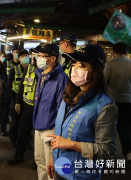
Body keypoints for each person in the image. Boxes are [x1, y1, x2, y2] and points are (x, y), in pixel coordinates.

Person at [47, 44, 118, 180]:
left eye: (82, 66)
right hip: (61, 166)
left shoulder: (105, 106)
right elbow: (60, 132)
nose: (75, 69)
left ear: (95, 71)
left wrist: (72, 144)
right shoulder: (69, 94)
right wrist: (53, 157)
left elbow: (107, 150)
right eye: (74, 64)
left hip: (82, 175)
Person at [32, 43, 68, 180]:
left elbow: (61, 110)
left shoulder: (61, 79)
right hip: (38, 126)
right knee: (40, 162)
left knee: (51, 167)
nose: (38, 59)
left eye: (42, 56)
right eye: (38, 56)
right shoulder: (41, 74)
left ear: (52, 59)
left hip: (50, 130)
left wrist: (57, 132)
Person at [7, 47, 37, 168]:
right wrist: (18, 102)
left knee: (37, 135)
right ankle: (19, 155)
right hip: (26, 106)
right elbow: (22, 86)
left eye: (36, 55)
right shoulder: (29, 68)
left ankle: (37, 160)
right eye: (33, 54)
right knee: (23, 132)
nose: (33, 57)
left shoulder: (44, 70)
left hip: (39, 108)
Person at [104, 42, 131, 163]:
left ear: (114, 52)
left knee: (109, 128)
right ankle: (129, 153)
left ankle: (109, 154)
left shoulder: (110, 64)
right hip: (128, 102)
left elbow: (104, 81)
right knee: (125, 127)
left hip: (113, 101)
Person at [7, 49, 29, 148]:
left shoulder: (31, 70)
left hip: (27, 98)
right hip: (15, 97)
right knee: (15, 120)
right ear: (19, 58)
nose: (25, 57)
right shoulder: (14, 70)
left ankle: (25, 140)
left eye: (26, 55)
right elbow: (8, 85)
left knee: (25, 122)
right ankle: (13, 139)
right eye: (22, 56)